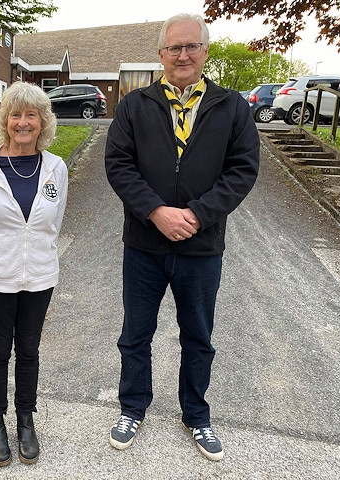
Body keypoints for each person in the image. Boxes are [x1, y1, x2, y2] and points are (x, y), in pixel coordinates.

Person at [104, 13, 259, 462]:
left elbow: (242, 171)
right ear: (161, 55)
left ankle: (196, 414)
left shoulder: (232, 107)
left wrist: (195, 214)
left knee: (198, 336)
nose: (183, 55)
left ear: (205, 51)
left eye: (192, 46)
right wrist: (155, 212)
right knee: (136, 334)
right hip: (144, 246)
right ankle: (133, 408)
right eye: (175, 48)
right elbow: (119, 164)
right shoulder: (134, 105)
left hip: (201, 246)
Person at [0, 81, 68, 467]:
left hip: (39, 277)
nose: (23, 122)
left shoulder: (56, 167)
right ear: (5, 121)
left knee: (30, 351)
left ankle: (25, 419)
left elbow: (52, 227)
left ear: (43, 122)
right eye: (15, 115)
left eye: (31, 115)